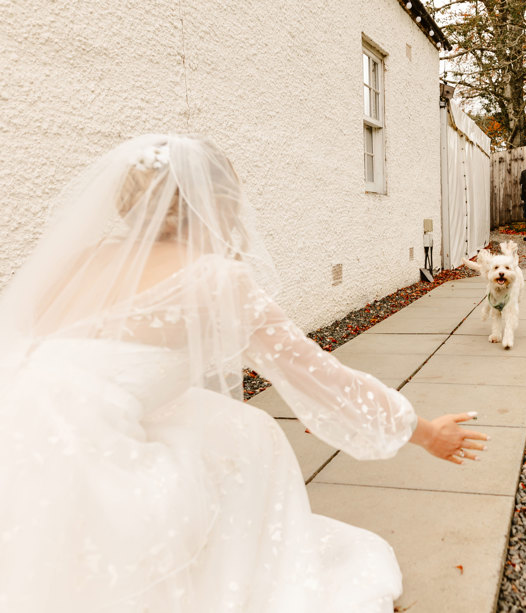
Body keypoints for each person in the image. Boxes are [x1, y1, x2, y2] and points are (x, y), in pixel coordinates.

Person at [0, 134, 488, 612]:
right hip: (90, 461)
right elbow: (320, 377)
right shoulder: (215, 279)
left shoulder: (77, 263)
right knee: (253, 437)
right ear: (215, 202)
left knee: (223, 420)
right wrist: (423, 432)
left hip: (13, 433)